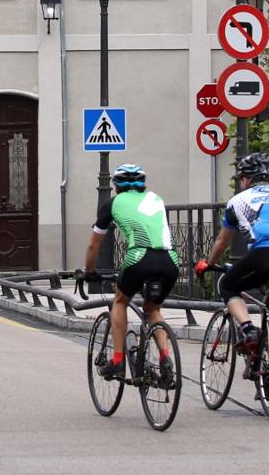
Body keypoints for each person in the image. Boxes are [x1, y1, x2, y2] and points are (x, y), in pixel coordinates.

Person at [195, 152, 269, 359]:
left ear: (246, 179)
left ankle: (248, 329)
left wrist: (208, 263)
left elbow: (222, 240)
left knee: (228, 285)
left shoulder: (238, 201)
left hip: (265, 254)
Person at [82, 163, 180, 383]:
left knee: (120, 300)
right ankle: (166, 359)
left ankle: (117, 360)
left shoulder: (112, 203)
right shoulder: (157, 199)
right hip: (170, 260)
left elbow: (93, 245)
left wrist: (89, 271)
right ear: (143, 185)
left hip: (140, 258)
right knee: (153, 308)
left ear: (116, 186)